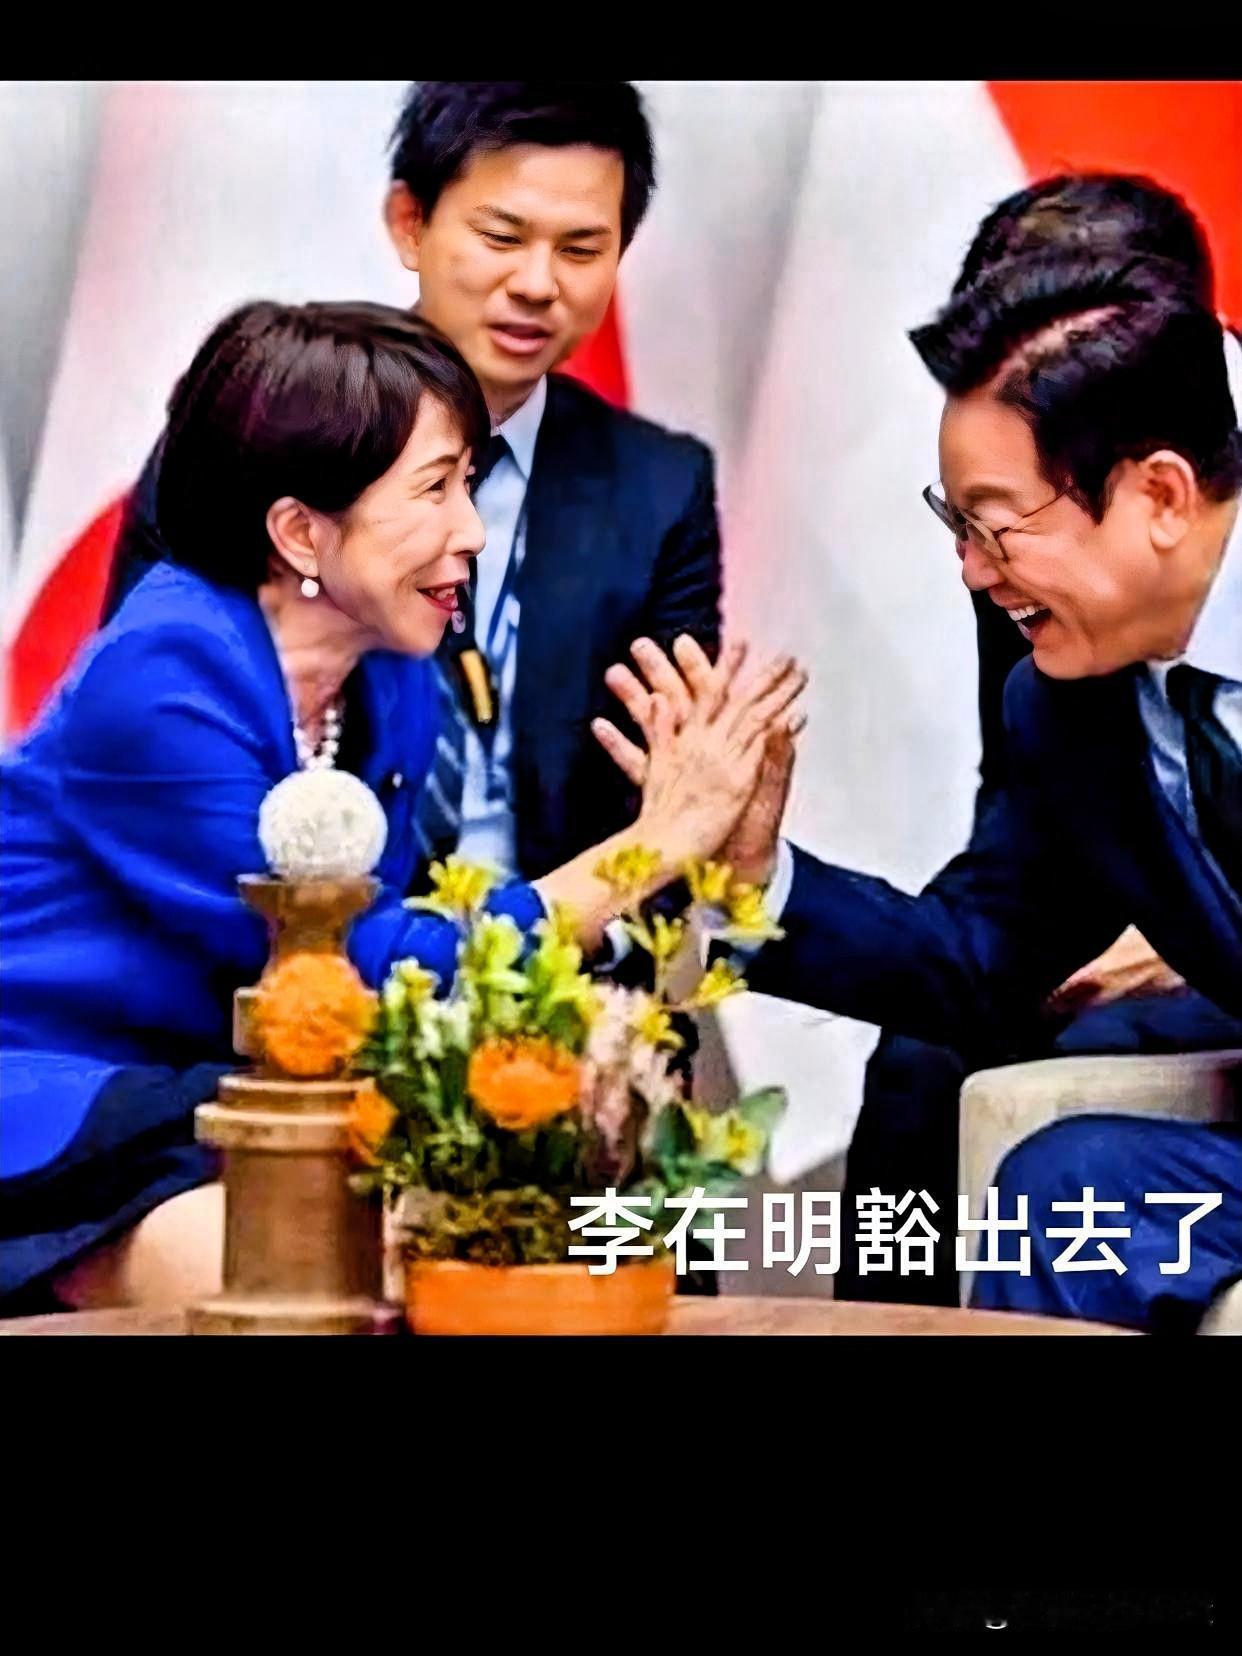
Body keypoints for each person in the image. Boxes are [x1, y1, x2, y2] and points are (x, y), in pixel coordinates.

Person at [0, 300, 803, 1315]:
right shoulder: (166, 674)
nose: (472, 531)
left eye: (469, 482)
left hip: (244, 1095)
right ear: (300, 531)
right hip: (59, 1103)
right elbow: (354, 966)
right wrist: (653, 845)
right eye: (434, 489)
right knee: (339, 1270)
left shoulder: (392, 671)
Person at [596, 249, 1242, 1331]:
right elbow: (980, 963)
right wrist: (756, 874)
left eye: (996, 525)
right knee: (1063, 1190)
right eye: (957, 525)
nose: (973, 573)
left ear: (1161, 496)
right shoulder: (1072, 708)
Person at [102, 81, 723, 890]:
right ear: (409, 222)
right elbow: (146, 721)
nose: (537, 284)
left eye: (579, 250)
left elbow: (666, 777)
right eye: (502, 236)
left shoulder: (662, 487)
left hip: (565, 942)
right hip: (280, 924)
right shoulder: (261, 426)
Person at [841, 175, 1242, 1306]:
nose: (976, 567)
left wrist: (1174, 938)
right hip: (1142, 928)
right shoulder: (1033, 540)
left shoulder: (1098, 495)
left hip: (1195, 970)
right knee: (947, 1077)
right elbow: (1028, 844)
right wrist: (745, 876)